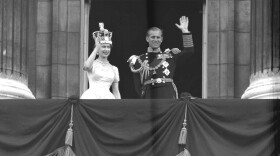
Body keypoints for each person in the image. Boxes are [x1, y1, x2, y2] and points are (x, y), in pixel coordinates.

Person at [127, 16, 194, 99]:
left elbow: (189, 51)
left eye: (158, 37)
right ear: (147, 39)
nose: (156, 39)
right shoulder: (139, 60)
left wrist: (185, 31)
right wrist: (143, 97)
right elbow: (137, 86)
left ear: (162, 39)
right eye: (153, 37)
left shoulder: (170, 56)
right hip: (149, 97)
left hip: (167, 95)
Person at [81, 23, 121, 99]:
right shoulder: (92, 64)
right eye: (103, 47)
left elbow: (116, 91)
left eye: (108, 47)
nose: (106, 49)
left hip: (108, 99)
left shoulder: (114, 69)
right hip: (92, 97)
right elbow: (86, 67)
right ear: (98, 50)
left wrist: (119, 107)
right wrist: (97, 47)